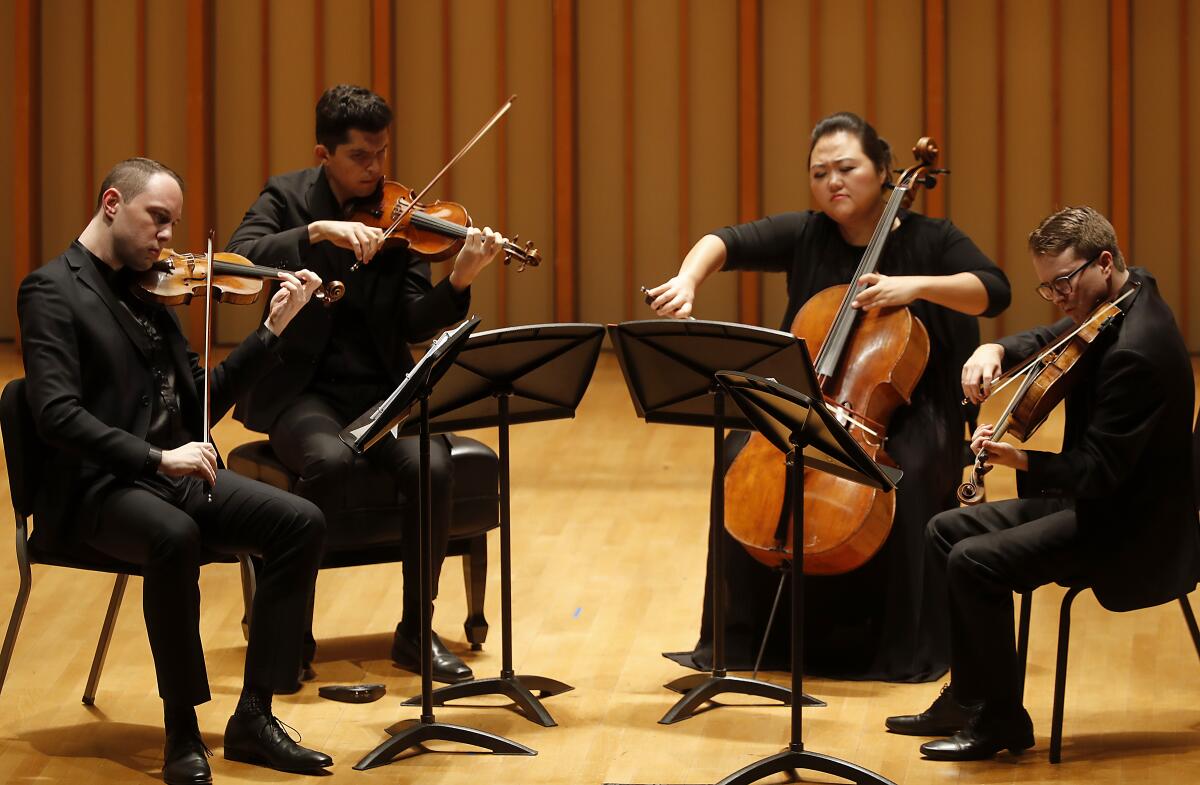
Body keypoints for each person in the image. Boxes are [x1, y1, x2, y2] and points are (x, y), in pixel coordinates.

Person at [647, 112, 1011, 682]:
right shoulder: (809, 232)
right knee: (737, 456)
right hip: (821, 398)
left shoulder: (933, 240)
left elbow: (993, 290)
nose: (833, 182)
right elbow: (724, 241)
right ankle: (740, 643)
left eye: (847, 168)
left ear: (885, 171)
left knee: (907, 473)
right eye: (820, 173)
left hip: (915, 408)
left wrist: (912, 287)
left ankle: (900, 648)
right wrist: (689, 279)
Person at [17, 157, 333, 784]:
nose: (167, 239)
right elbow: (55, 415)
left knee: (299, 521)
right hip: (96, 488)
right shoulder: (50, 290)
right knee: (174, 537)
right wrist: (158, 457)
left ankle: (254, 716)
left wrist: (272, 331)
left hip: (173, 478)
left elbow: (201, 396)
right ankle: (182, 732)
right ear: (112, 204)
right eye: (157, 220)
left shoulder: (153, 290)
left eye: (173, 225)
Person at [886, 205, 1200, 760]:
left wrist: (1019, 459)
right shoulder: (1125, 293)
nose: (1058, 299)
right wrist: (997, 348)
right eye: (1046, 288)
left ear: (1103, 262)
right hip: (1100, 501)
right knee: (944, 531)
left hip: (1131, 525)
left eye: (1063, 283)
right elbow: (1058, 333)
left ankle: (1001, 722)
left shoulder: (1138, 353)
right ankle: (969, 695)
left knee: (973, 560)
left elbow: (1097, 472)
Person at [227, 84, 507, 685]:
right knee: (328, 461)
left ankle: (415, 631)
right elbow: (239, 261)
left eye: (381, 153)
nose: (376, 170)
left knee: (430, 464)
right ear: (324, 153)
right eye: (360, 156)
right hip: (300, 392)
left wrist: (456, 282)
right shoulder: (286, 196)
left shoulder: (400, 215)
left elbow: (410, 320)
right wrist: (318, 233)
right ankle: (291, 629)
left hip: (377, 394)